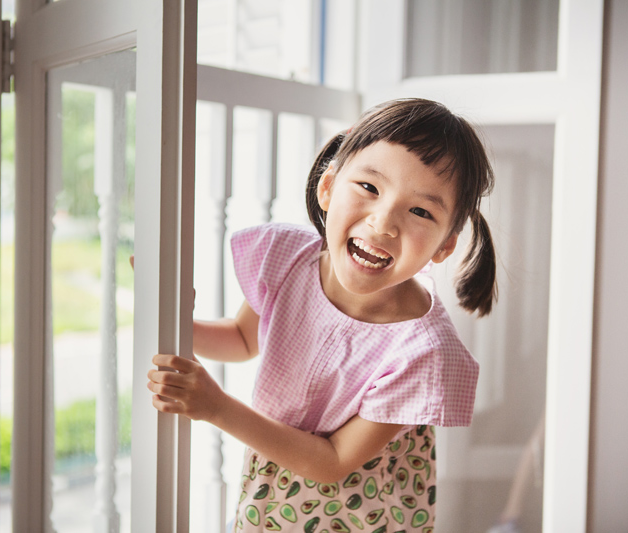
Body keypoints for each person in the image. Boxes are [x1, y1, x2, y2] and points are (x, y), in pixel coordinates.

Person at [146, 98, 497, 532]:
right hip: (274, 488)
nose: (383, 223)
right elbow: (241, 338)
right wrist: (175, 318)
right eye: (369, 187)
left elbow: (333, 462)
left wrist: (217, 408)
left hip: (358, 513)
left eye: (421, 211)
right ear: (327, 188)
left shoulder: (422, 353)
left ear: (444, 246)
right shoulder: (286, 260)